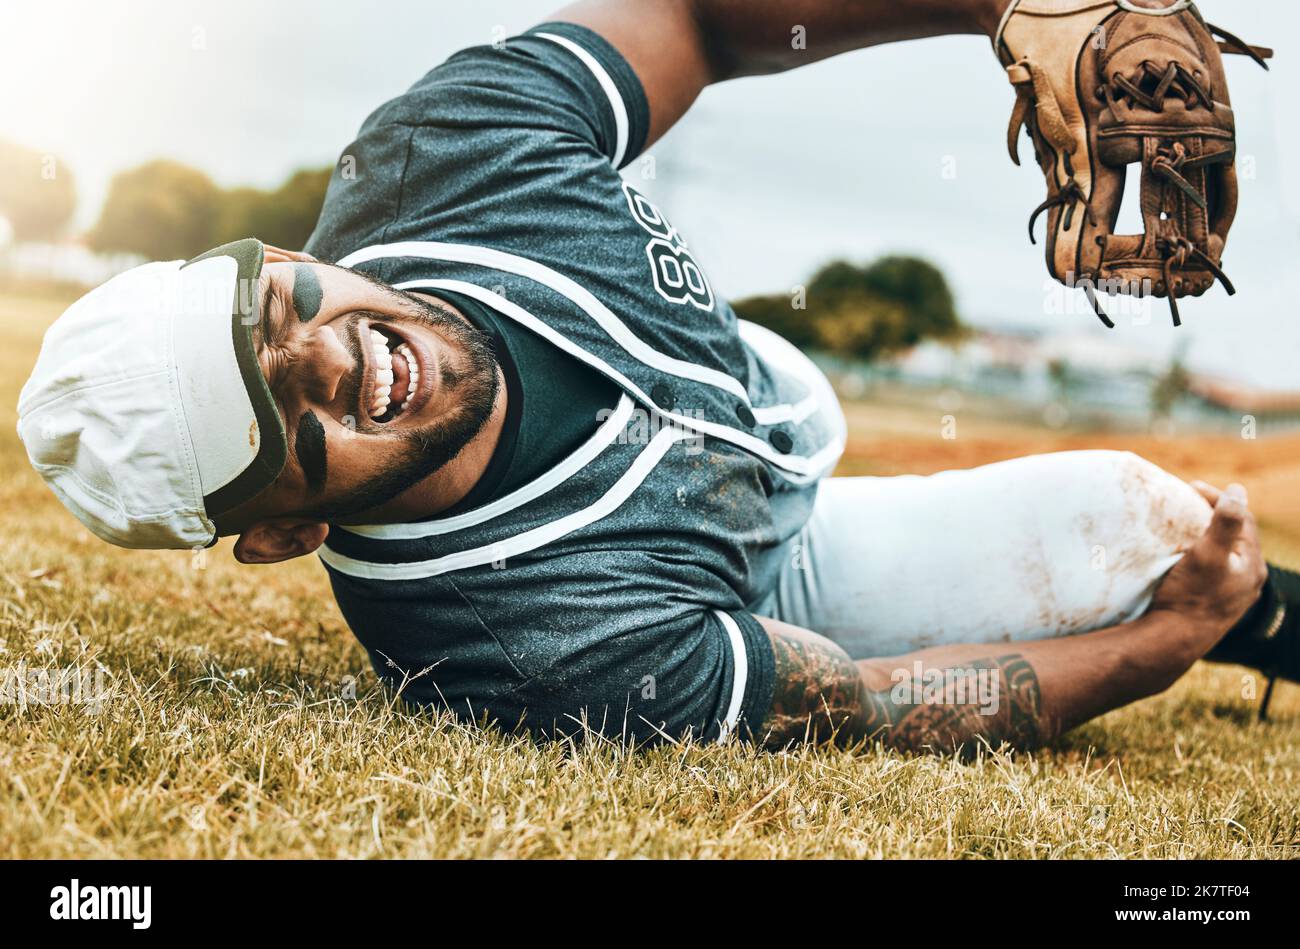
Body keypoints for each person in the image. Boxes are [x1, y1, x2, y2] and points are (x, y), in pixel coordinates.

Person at [18, 0, 1296, 753]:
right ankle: (1266, 618)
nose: (333, 353)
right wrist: (1155, 646)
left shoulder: (439, 154)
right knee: (1143, 519)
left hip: (756, 382)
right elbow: (859, 703)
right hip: (761, 566)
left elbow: (694, 17)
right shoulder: (520, 649)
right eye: (286, 422)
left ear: (293, 255)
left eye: (281, 309)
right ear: (287, 530)